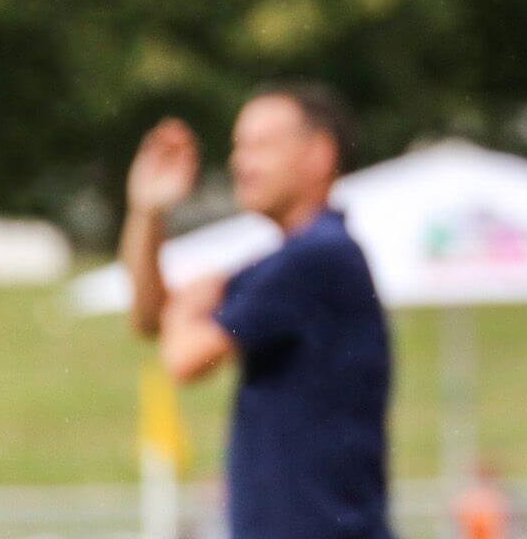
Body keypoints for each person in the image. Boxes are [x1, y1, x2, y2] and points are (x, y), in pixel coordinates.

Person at [120, 82, 394, 539]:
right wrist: (148, 213)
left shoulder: (318, 257)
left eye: (261, 146)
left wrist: (186, 310)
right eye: (237, 147)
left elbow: (184, 359)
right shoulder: (297, 260)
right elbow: (151, 318)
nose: (238, 162)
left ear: (319, 154)